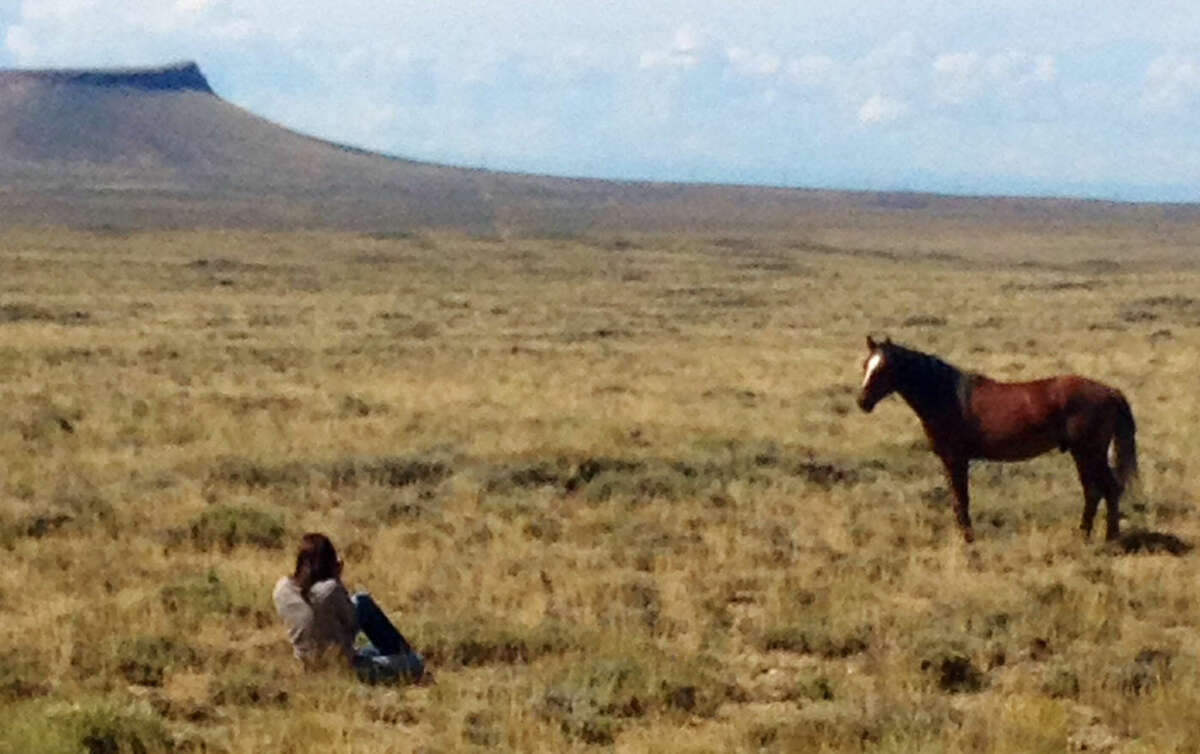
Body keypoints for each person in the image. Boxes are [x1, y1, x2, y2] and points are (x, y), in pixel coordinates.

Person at [273, 532, 425, 684]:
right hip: (344, 668)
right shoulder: (329, 590)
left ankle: (393, 655)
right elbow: (351, 622)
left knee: (361, 602)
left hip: (306, 661)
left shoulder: (282, 588)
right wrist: (337, 579)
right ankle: (402, 654)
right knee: (416, 663)